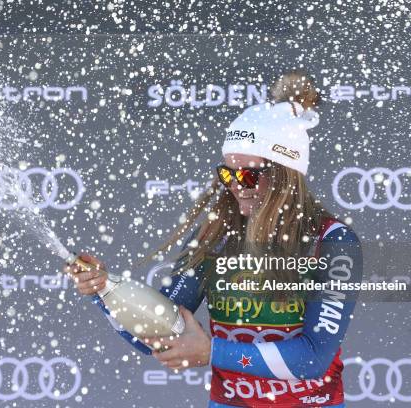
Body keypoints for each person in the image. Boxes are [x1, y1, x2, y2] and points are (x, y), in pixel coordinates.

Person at [65, 71, 362, 408]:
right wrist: (104, 290)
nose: (236, 185)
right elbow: (157, 335)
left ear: (286, 177)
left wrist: (212, 351)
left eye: (249, 175)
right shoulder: (216, 236)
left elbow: (312, 359)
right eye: (228, 173)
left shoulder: (334, 242)